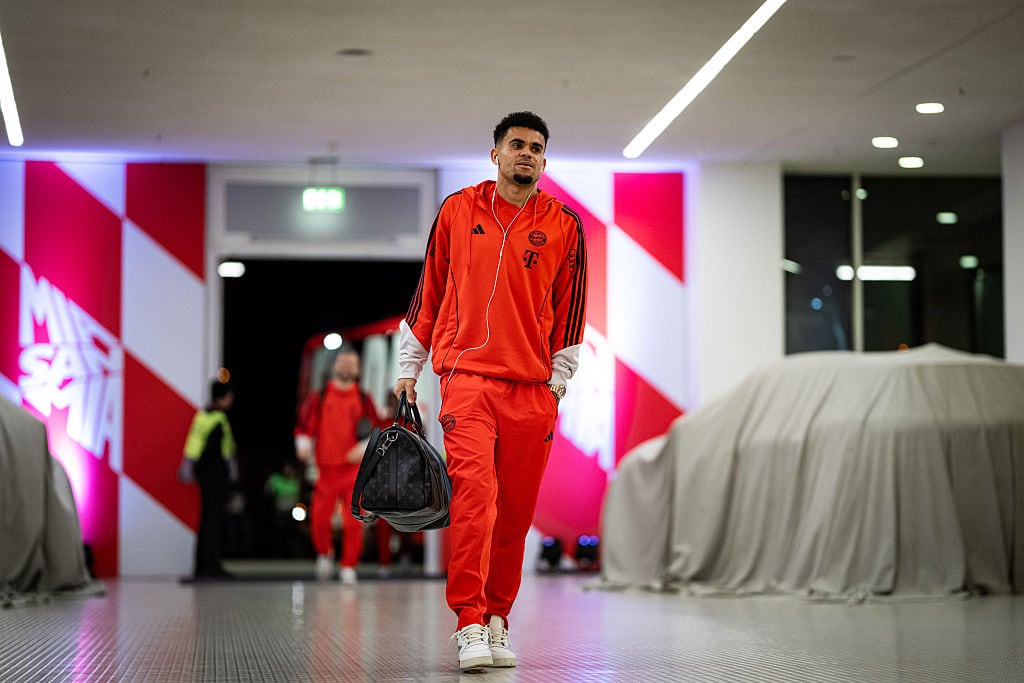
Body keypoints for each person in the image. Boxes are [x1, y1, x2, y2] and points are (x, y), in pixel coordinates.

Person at [393, 111, 587, 671]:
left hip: (531, 390)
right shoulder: (458, 210)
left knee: (515, 515)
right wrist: (410, 366)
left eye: (537, 147)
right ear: (495, 154)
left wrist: (556, 386)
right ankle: (469, 622)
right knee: (476, 500)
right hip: (466, 381)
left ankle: (498, 620)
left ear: (544, 160)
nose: (527, 153)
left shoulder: (565, 225)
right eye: (517, 144)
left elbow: (571, 313)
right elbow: (428, 289)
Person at [295, 345, 385, 584]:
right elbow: (305, 425)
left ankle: (348, 565)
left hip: (354, 472)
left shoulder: (364, 399)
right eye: (342, 362)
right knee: (319, 519)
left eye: (351, 363)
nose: (346, 366)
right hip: (326, 470)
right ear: (334, 366)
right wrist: (303, 444)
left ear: (358, 369)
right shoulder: (320, 396)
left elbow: (377, 431)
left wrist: (363, 447)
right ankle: (324, 554)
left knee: (354, 520)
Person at [178, 378, 240, 579]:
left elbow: (194, 445)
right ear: (223, 397)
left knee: (208, 519)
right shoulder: (217, 420)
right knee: (212, 520)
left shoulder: (204, 416)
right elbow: (218, 450)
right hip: (214, 478)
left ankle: (203, 565)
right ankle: (210, 565)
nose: (231, 400)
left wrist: (190, 469)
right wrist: (230, 473)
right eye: (230, 396)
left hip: (206, 477)